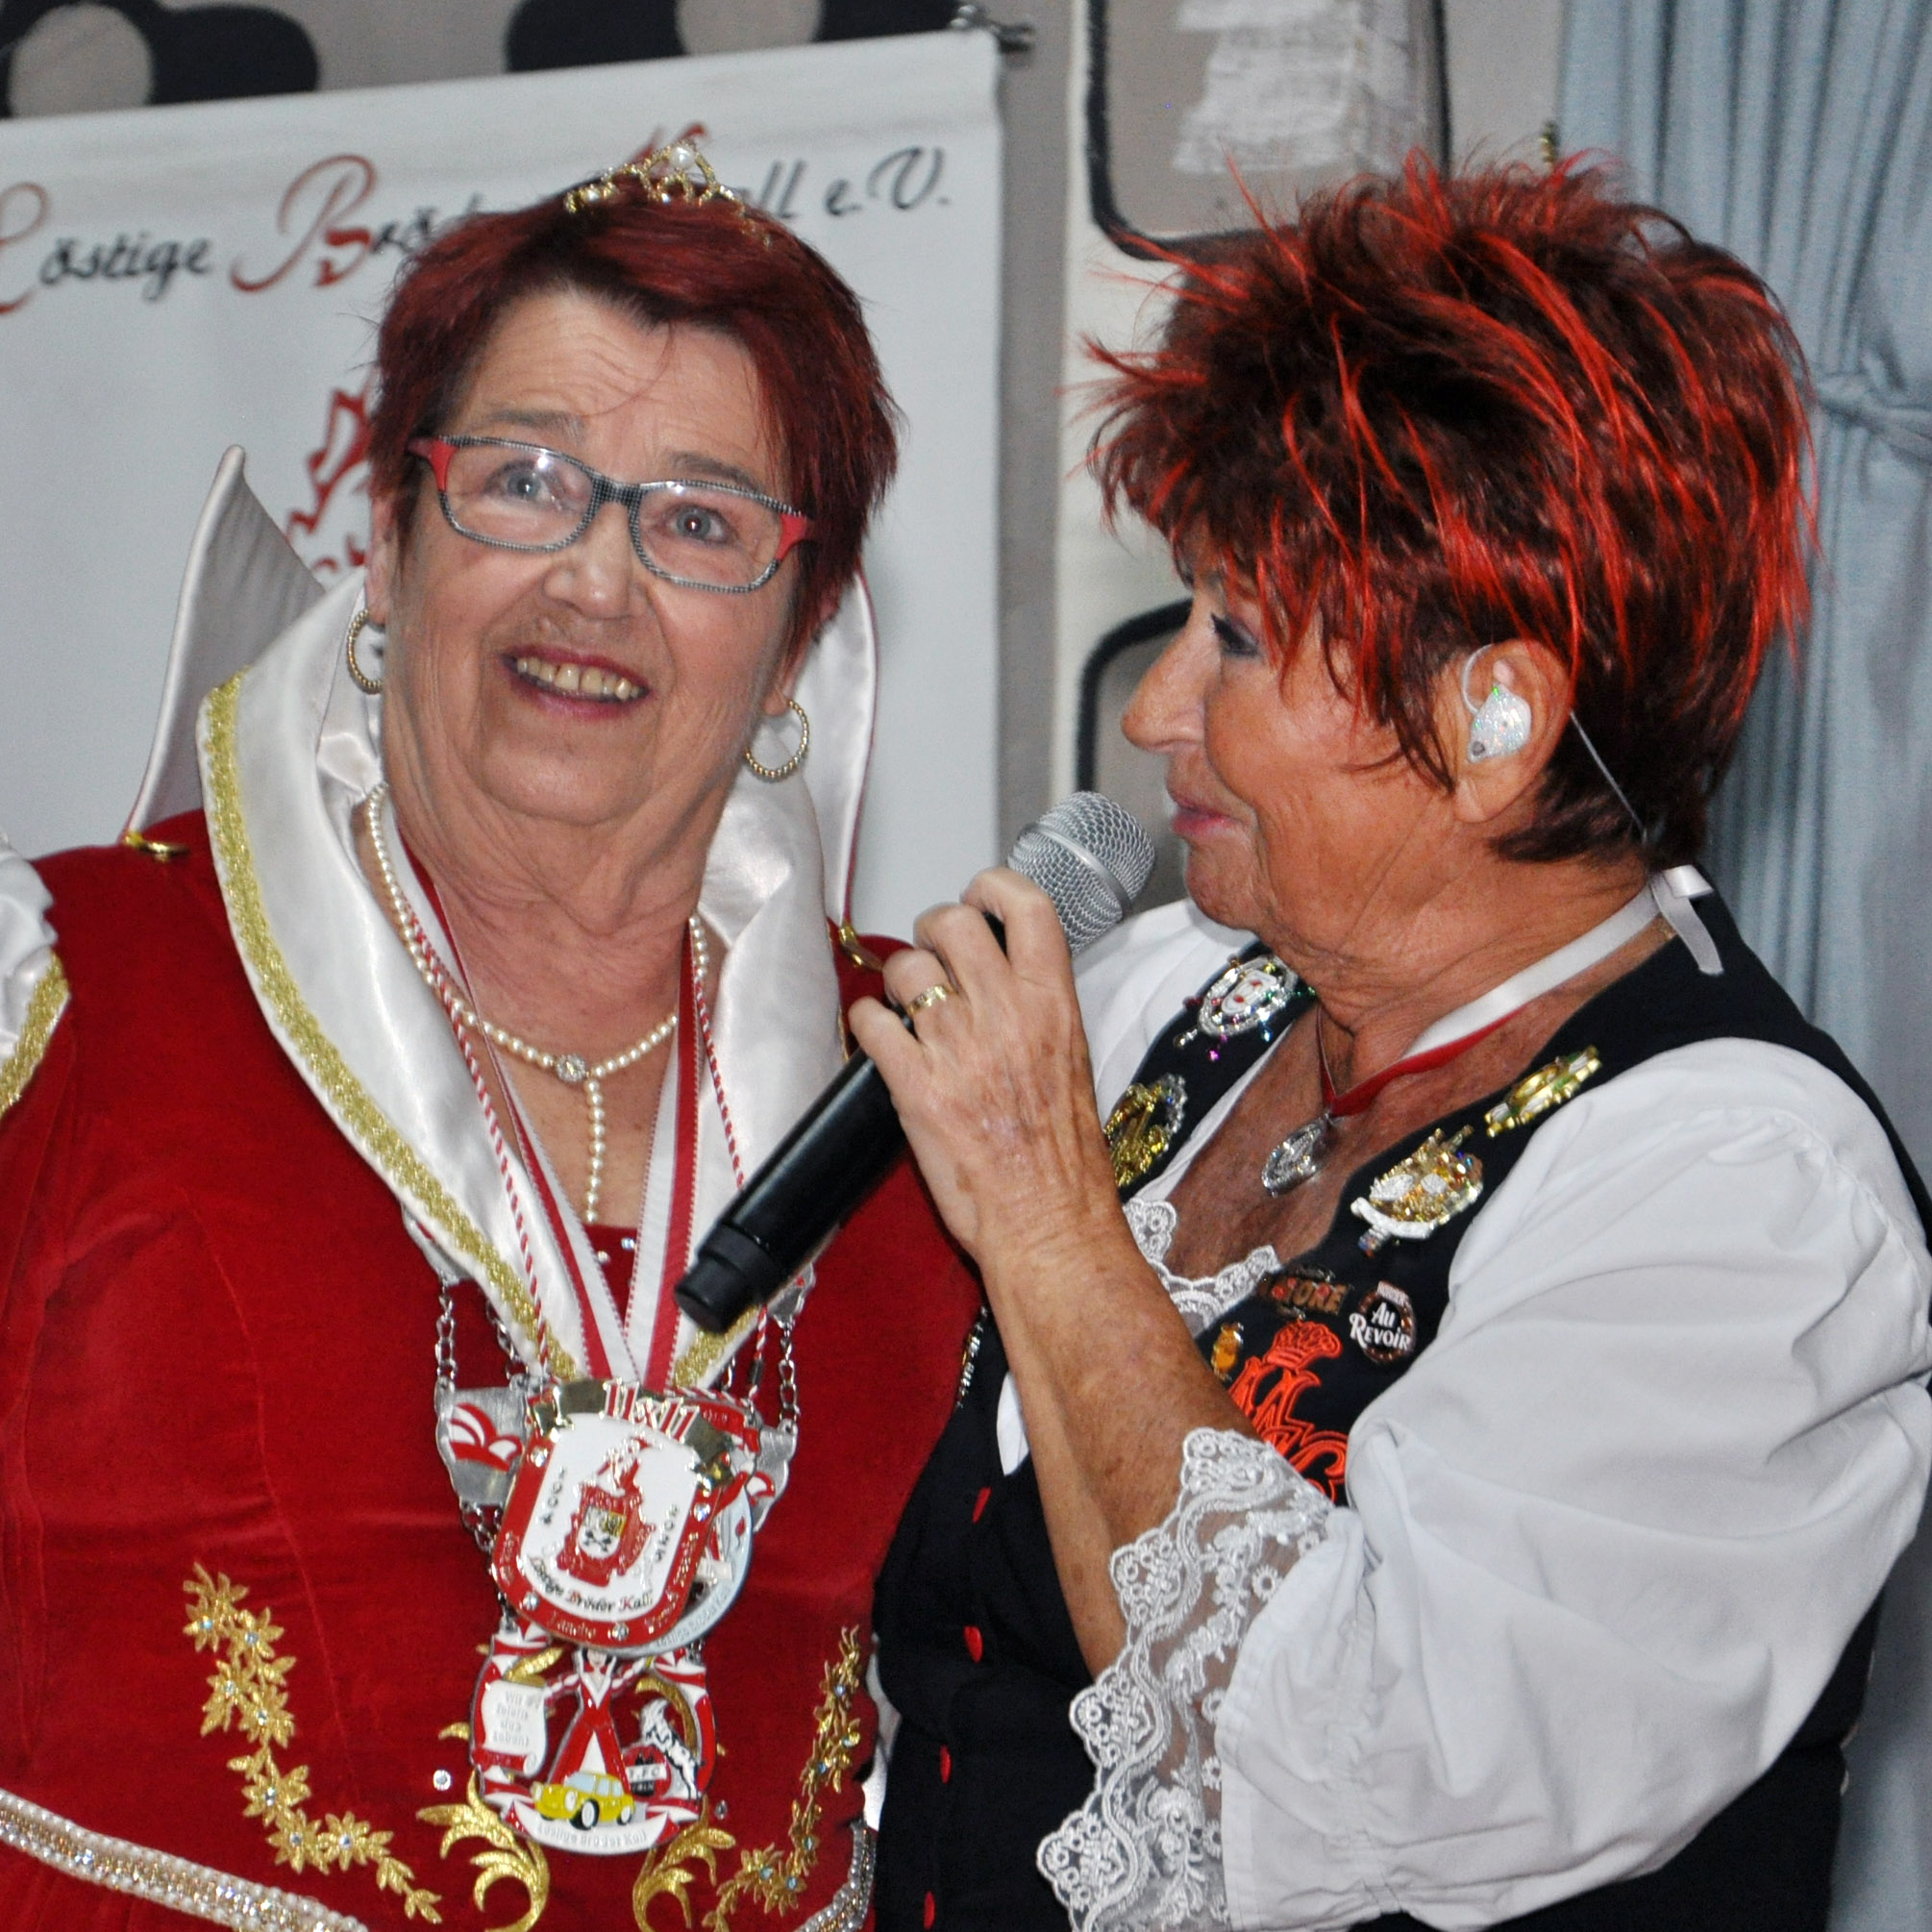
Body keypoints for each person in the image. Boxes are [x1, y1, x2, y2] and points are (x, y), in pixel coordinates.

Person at [860, 161, 1932, 1932]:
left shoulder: (1742, 1196)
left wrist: (1050, 1223)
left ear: (1495, 718)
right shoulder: (1173, 998)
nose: (1154, 707)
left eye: (1235, 636)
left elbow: (1366, 1773)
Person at [0, 141, 980, 1930]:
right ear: (387, 544)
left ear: (799, 639)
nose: (594, 583)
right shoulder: (65, 990)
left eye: (699, 522)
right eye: (524, 483)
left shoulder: (937, 1075)